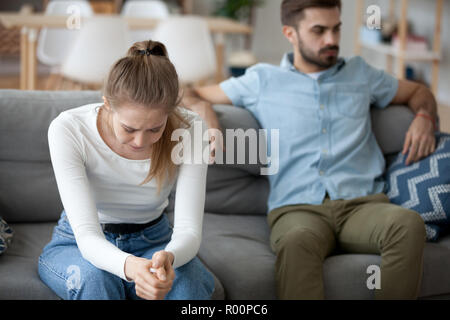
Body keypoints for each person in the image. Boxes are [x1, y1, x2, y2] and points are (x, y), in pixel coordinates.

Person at [182, 0, 438, 300]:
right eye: (319, 31)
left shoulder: (361, 74)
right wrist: (207, 116)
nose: (331, 40)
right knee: (296, 242)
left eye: (336, 29)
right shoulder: (262, 80)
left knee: (407, 223)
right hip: (297, 210)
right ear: (290, 33)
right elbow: (191, 92)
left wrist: (424, 117)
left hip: (362, 205)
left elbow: (419, 92)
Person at [38, 40, 215, 300]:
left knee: (188, 286)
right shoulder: (68, 128)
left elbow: (189, 229)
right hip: (77, 242)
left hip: (155, 241)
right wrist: (130, 266)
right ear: (107, 104)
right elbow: (87, 235)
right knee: (95, 281)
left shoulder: (191, 129)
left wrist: (169, 257)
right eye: (129, 129)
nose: (140, 142)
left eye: (155, 129)